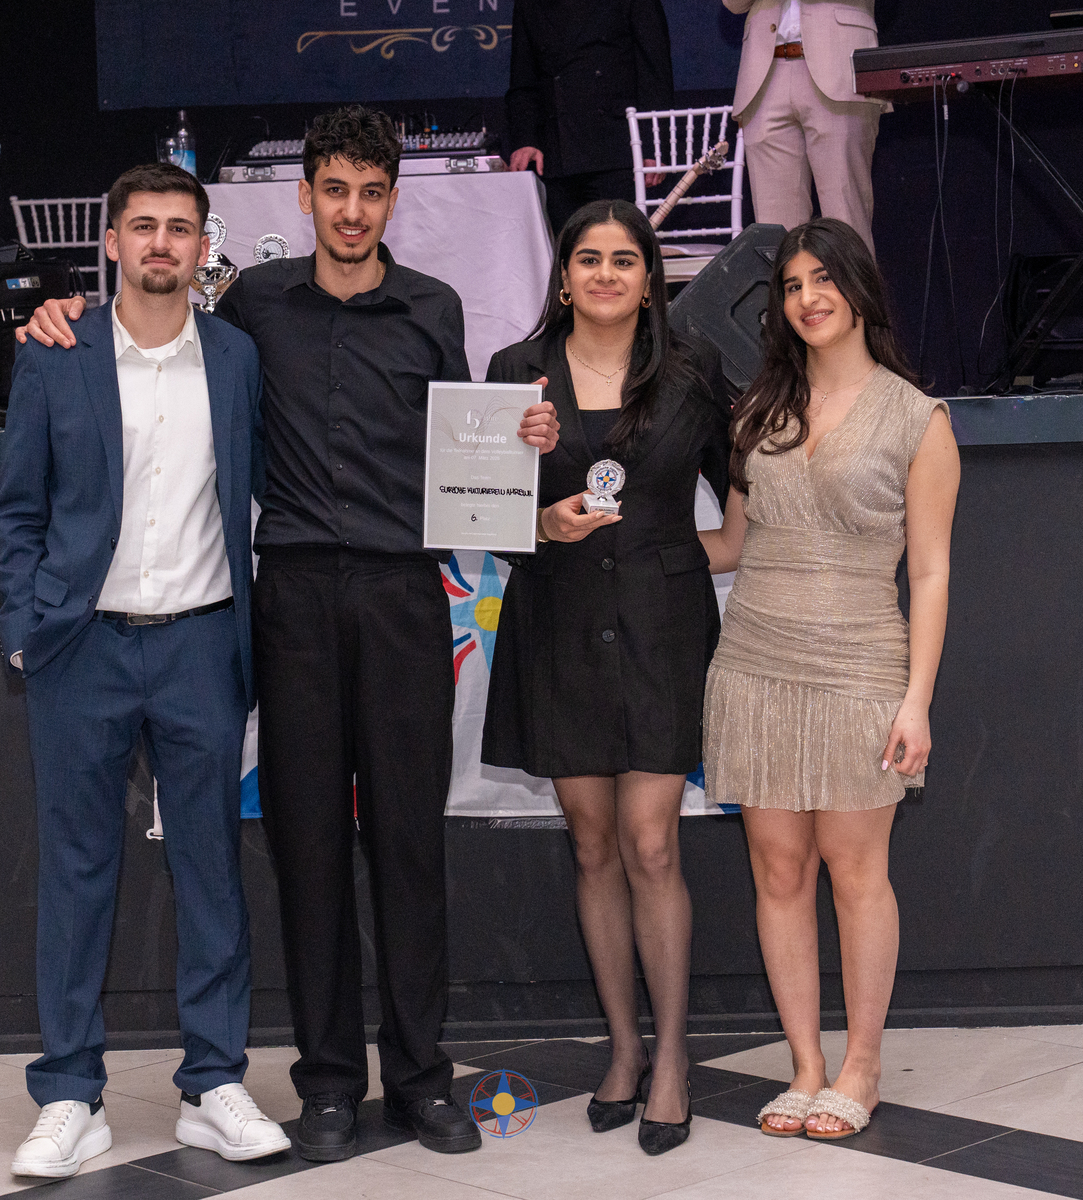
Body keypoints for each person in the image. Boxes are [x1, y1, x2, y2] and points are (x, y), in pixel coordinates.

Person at [15, 106, 560, 1164]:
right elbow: (146, 317)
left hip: (404, 596)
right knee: (307, 849)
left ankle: (421, 1078)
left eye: (372, 192)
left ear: (393, 201)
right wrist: (61, 310)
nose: (353, 211)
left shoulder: (434, 307)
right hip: (295, 599)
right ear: (304, 197)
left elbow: (469, 448)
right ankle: (328, 1083)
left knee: (409, 844)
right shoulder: (252, 304)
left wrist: (524, 437)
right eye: (336, 191)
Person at [0, 163, 289, 1178]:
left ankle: (213, 1085)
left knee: (211, 868)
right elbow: (18, 509)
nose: (163, 243)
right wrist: (27, 630)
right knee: (77, 871)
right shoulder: (56, 352)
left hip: (202, 644)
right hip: (82, 649)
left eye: (181, 228)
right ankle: (70, 1093)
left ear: (204, 247)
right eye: (145, 226)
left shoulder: (237, 357)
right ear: (112, 240)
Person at [697, 217, 958, 1139]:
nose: (808, 298)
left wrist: (916, 701)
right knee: (778, 870)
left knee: (856, 873)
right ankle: (806, 1065)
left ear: (858, 290)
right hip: (753, 663)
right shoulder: (759, 411)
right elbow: (731, 545)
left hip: (860, 667)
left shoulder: (918, 418)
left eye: (823, 279)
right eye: (792, 284)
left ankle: (861, 1064)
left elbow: (931, 572)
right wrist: (627, 528)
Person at [483, 199, 732, 1155]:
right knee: (593, 847)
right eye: (588, 259)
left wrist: (689, 556)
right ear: (563, 277)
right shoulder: (516, 372)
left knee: (651, 844)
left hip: (663, 632)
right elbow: (482, 512)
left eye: (625, 260)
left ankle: (673, 1059)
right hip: (558, 627)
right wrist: (540, 521)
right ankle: (624, 1049)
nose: (605, 275)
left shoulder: (693, 370)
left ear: (650, 277)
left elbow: (748, 481)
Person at [723, 0, 890, 252]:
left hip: (838, 63)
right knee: (776, 234)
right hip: (764, 71)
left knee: (845, 219)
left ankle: (850, 280)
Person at [507, 0, 674, 232]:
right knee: (568, 248)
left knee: (618, 243)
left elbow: (654, 72)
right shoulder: (530, 4)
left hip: (618, 151)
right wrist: (526, 139)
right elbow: (522, 81)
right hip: (556, 156)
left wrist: (654, 147)